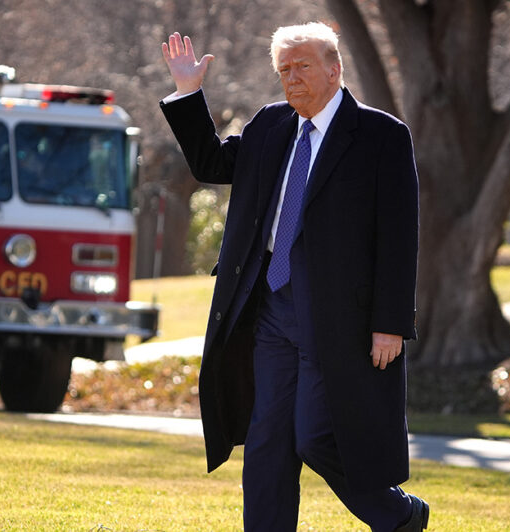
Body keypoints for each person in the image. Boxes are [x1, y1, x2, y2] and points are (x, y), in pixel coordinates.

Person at [159, 22, 427, 531]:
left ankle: (398, 516)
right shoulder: (270, 125)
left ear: (334, 69)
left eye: (302, 66)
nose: (292, 78)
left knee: (315, 435)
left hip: (338, 317)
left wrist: (390, 322)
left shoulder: (380, 136)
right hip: (271, 306)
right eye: (284, 69)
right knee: (267, 441)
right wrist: (189, 94)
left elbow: (398, 235)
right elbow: (213, 163)